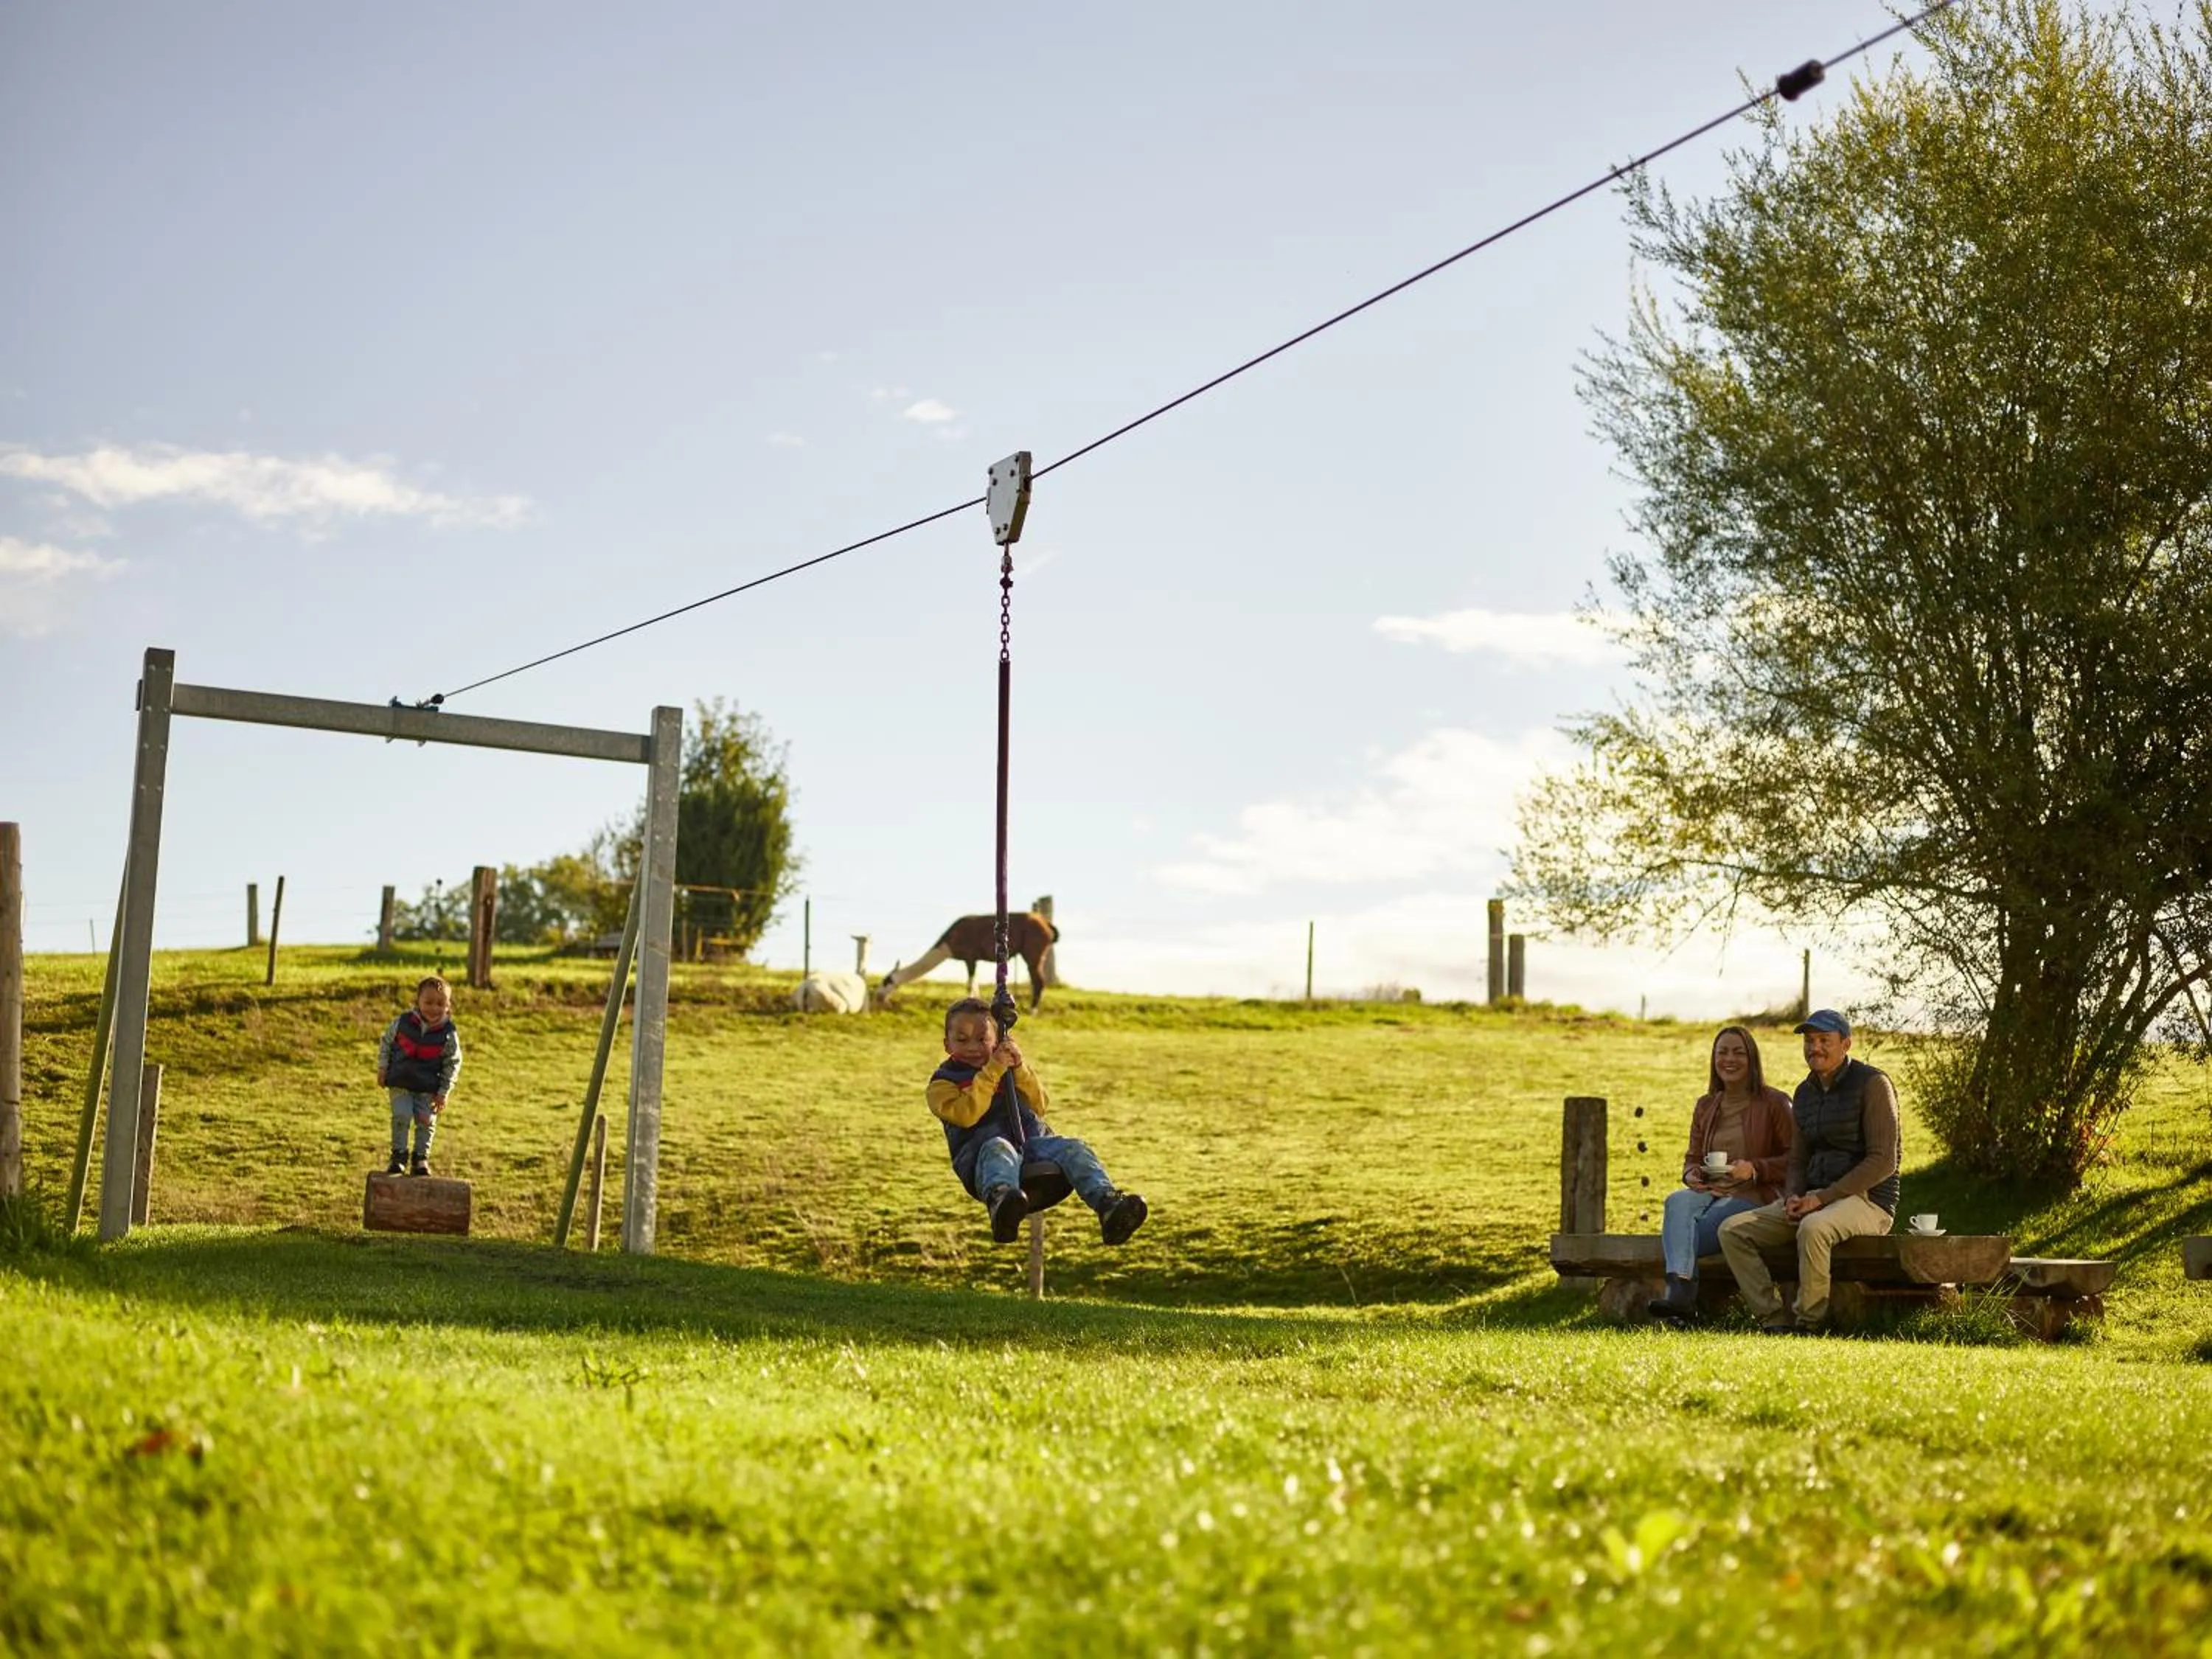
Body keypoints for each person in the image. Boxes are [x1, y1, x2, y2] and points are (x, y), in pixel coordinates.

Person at [1717, 1009, 1901, 1334]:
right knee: (1732, 1230)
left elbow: (1884, 1161)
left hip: (1869, 1201)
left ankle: (1808, 1325)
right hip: (1815, 1198)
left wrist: (1823, 1198)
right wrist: (1792, 1197)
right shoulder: (1805, 1093)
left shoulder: (1874, 1084)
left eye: (1824, 1040)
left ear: (1846, 1044)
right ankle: (1773, 1322)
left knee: (1813, 1229)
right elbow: (1798, 1162)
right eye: (1809, 1041)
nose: (1814, 1048)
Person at [927, 996, 1147, 1246]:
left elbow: (1040, 1106)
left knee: (1074, 1147)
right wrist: (992, 1072)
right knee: (999, 1147)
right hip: (982, 1157)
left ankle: (1108, 1206)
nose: (973, 1047)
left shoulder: (1008, 1068)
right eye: (962, 1040)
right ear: (947, 1044)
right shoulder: (943, 1083)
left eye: (982, 1039)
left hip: (1032, 1145)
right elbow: (966, 1116)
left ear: (996, 1040)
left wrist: (1019, 1067)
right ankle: (1002, 1204)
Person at [1647, 1025, 1795, 1325]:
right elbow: (1692, 1158)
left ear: (1752, 1059)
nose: (1730, 1059)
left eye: (1739, 1053)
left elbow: (1797, 1159)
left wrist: (1755, 1168)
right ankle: (1682, 1299)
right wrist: (1691, 1175)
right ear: (1714, 1059)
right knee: (1676, 1202)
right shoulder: (1706, 1106)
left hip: (1754, 1197)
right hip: (1710, 1194)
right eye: (1722, 1052)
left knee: (1684, 1235)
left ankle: (1682, 1306)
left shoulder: (1775, 1103)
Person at [378, 975, 462, 1177]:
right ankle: (398, 1157)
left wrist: (443, 1092)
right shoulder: (402, 1023)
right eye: (429, 1002)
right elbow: (387, 1043)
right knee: (402, 1116)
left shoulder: (448, 1034)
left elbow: (453, 1063)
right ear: (418, 1002)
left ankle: (420, 1159)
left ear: (448, 1005)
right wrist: (383, 1068)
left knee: (426, 1121)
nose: (434, 1008)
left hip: (428, 1088)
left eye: (440, 1003)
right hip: (401, 1082)